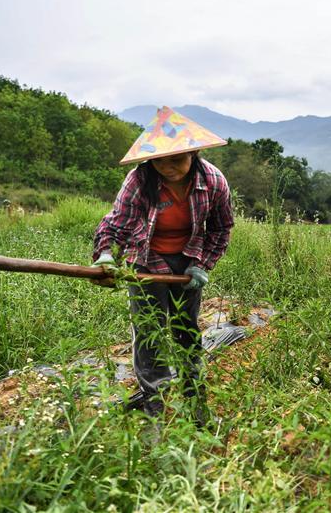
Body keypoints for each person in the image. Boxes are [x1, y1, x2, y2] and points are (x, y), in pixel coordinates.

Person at [91, 106, 233, 427]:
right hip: (145, 263)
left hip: (186, 264)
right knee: (149, 332)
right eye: (160, 160)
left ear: (193, 153)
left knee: (185, 330)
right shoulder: (139, 180)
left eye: (176, 160)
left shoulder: (213, 181)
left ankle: (195, 399)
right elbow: (116, 223)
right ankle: (155, 404)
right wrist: (105, 255)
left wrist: (202, 264)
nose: (168, 168)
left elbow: (222, 227)